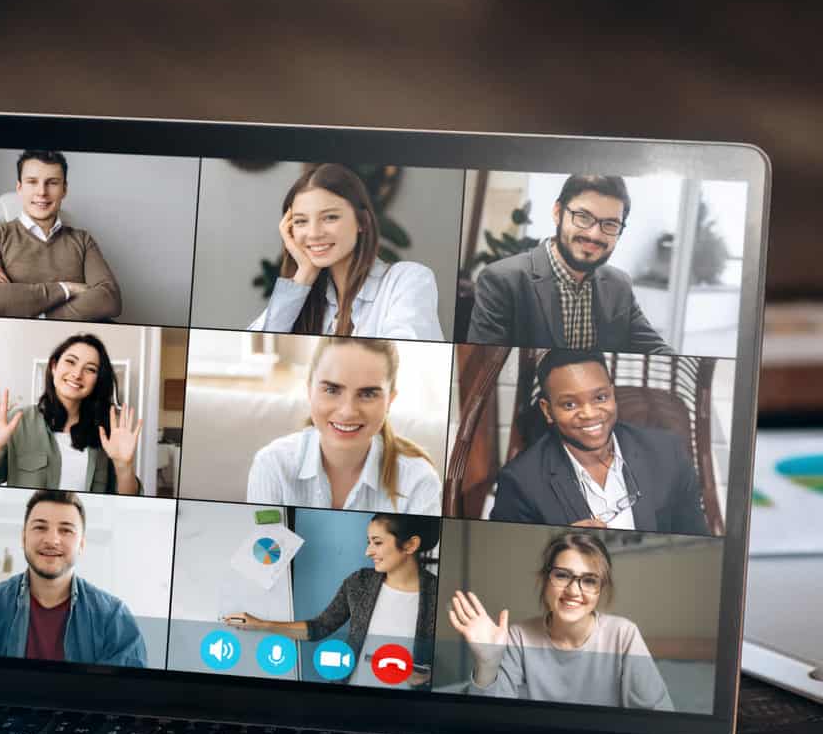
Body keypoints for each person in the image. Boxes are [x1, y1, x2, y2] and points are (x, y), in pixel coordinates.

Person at [488, 349, 712, 534]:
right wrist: (560, 542)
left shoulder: (667, 452)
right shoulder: (519, 483)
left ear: (612, 394)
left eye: (600, 397)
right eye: (569, 405)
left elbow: (698, 540)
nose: (589, 413)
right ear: (547, 411)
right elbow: (503, 557)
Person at [447, 532, 675, 710]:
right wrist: (488, 663)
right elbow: (490, 719)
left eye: (588, 580)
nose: (574, 590)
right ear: (545, 580)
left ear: (600, 590)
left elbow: (659, 715)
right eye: (562, 575)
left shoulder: (623, 635)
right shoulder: (518, 637)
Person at [464, 174, 674, 354]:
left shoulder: (619, 284)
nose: (595, 234)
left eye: (610, 224)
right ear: (558, 212)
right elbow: (483, 367)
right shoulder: (502, 281)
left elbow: (655, 350)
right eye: (583, 217)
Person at [226, 513, 439, 687]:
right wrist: (262, 624)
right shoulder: (359, 582)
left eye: (377, 542)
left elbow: (452, 660)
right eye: (368, 542)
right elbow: (320, 627)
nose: (367, 551)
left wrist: (428, 674)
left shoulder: (439, 595)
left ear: (410, 545)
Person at [0, 490, 148, 665]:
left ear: (82, 544)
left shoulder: (113, 618)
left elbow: (126, 700)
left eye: (66, 530)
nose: (52, 540)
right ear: (23, 537)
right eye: (40, 527)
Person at [244, 337, 442, 513]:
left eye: (368, 394)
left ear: (390, 400)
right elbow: (263, 552)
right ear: (309, 390)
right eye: (331, 389)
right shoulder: (272, 466)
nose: (347, 411)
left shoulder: (419, 481)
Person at [247, 163, 443, 340]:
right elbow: (256, 353)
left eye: (330, 217)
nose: (314, 233)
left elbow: (404, 365)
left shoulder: (408, 281)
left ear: (362, 222)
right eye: (301, 221)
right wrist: (304, 274)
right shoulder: (309, 297)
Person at [0, 332, 144, 494]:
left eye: (90, 369)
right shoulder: (19, 420)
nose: (77, 374)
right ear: (53, 366)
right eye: (70, 362)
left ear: (98, 380)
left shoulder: (106, 431)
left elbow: (127, 503)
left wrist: (124, 466)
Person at [0, 150, 124, 320]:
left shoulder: (82, 240)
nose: (42, 192)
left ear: (64, 189)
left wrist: (25, 307)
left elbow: (110, 300)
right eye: (32, 182)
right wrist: (67, 289)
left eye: (52, 183)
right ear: (19, 188)